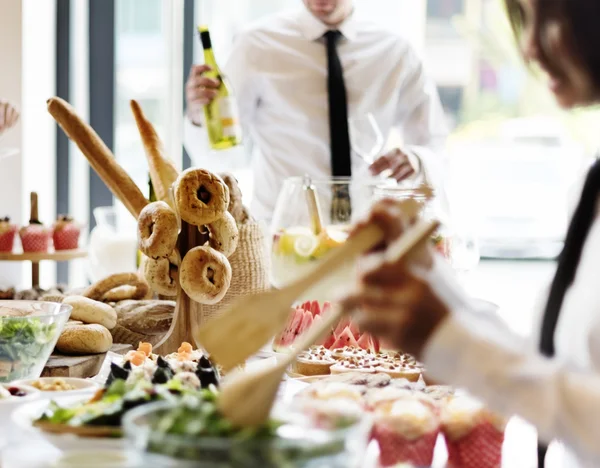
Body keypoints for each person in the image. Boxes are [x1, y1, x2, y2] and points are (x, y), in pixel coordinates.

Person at [343, 0, 600, 466]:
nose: (528, 46)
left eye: (550, 19)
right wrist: (427, 275)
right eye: (524, 19)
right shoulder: (592, 186)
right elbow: (560, 374)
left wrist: (450, 339)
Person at [184, 0, 448, 221]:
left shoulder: (396, 52)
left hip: (366, 239)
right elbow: (220, 159)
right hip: (283, 238)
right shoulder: (255, 45)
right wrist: (199, 116)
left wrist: (416, 159)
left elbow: (433, 144)